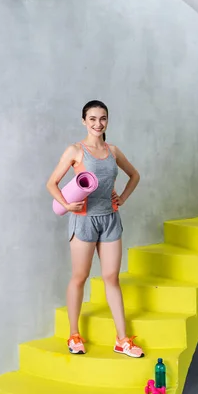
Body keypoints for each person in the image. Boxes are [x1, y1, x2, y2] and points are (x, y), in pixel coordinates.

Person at [46, 100, 144, 358]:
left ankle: (122, 339)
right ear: (84, 121)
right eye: (92, 119)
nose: (98, 123)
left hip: (110, 219)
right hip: (84, 220)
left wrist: (122, 198)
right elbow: (51, 183)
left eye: (102, 118)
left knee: (112, 277)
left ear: (107, 120)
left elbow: (134, 175)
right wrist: (67, 205)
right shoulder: (75, 150)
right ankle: (74, 334)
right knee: (80, 277)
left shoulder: (113, 150)